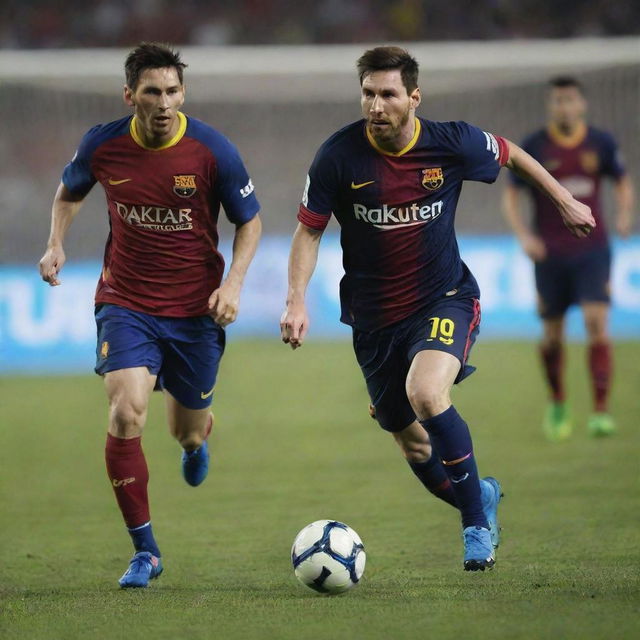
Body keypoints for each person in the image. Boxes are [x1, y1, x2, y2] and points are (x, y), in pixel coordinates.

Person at [280, 47, 595, 571]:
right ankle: (480, 500)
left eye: (388, 94)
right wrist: (296, 299)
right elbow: (309, 230)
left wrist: (563, 200)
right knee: (411, 444)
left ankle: (474, 528)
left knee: (426, 392)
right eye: (368, 94)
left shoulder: (451, 143)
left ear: (413, 97)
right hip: (374, 318)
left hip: (444, 296)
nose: (376, 105)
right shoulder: (337, 157)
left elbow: (511, 152)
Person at [39, 43, 262, 588]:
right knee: (126, 411)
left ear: (182, 93)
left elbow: (249, 222)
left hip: (195, 312)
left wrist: (233, 284)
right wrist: (55, 244)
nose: (163, 103)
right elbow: (69, 193)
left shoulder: (212, 151)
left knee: (182, 432)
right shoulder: (103, 144)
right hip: (127, 302)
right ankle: (146, 551)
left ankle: (197, 438)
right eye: (151, 93)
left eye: (172, 92)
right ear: (129, 96)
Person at [503, 76, 634, 441]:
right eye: (557, 101)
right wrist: (524, 236)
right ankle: (558, 401)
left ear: (582, 105)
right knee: (552, 337)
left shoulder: (601, 143)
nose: (564, 107)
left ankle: (601, 411)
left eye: (570, 100)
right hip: (550, 253)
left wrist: (624, 214)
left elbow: (622, 181)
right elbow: (511, 195)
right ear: (551, 105)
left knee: (597, 324)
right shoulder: (535, 146)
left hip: (593, 250)